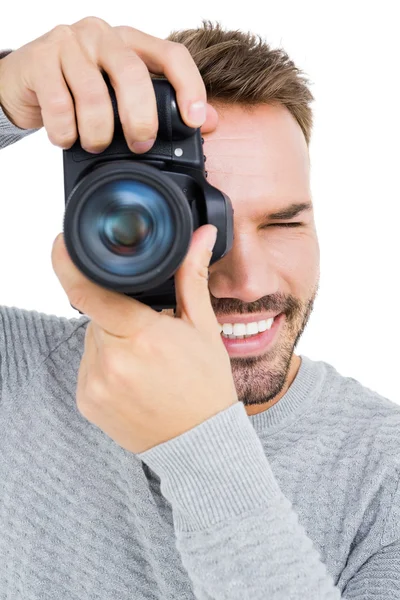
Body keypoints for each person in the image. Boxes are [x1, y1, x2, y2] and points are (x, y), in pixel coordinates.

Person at [0, 16, 399, 600]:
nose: (247, 279)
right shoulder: (19, 376)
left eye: (285, 222)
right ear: (108, 226)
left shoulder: (384, 473)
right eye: (201, 223)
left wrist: (200, 450)